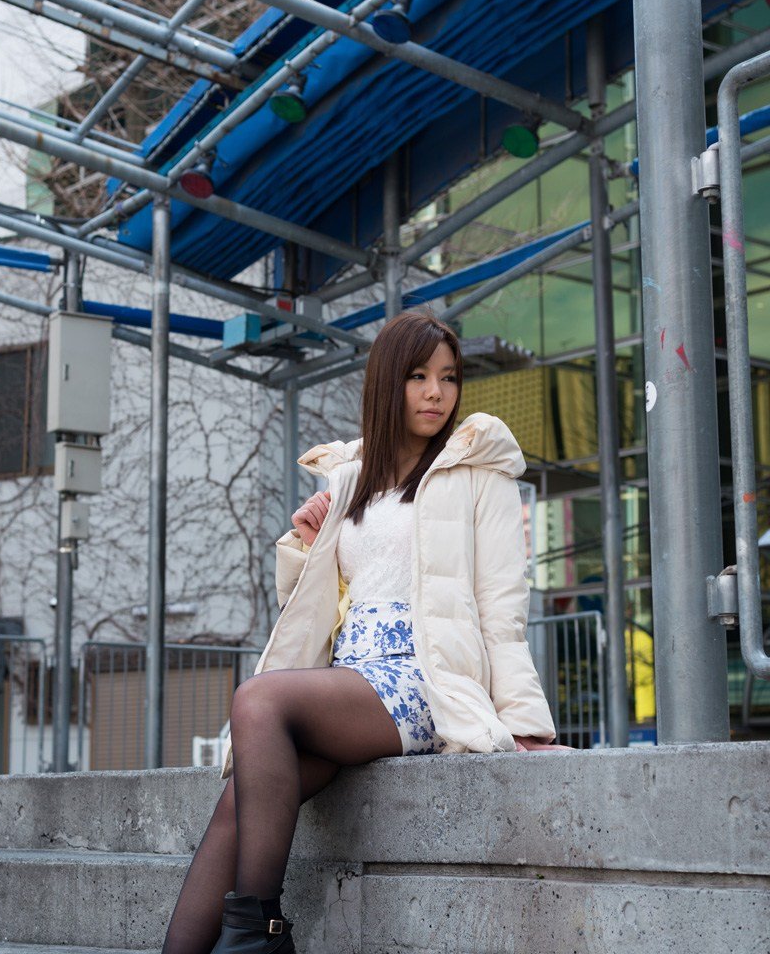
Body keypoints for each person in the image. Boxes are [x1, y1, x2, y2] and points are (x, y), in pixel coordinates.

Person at [161, 309, 566, 954]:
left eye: (448, 378)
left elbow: (501, 608)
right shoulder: (352, 480)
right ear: (387, 382)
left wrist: (523, 724)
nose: (436, 393)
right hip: (353, 676)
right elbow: (315, 607)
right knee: (239, 803)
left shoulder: (479, 477)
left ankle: (261, 933)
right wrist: (305, 543)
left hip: (422, 679)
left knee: (258, 699)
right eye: (418, 376)